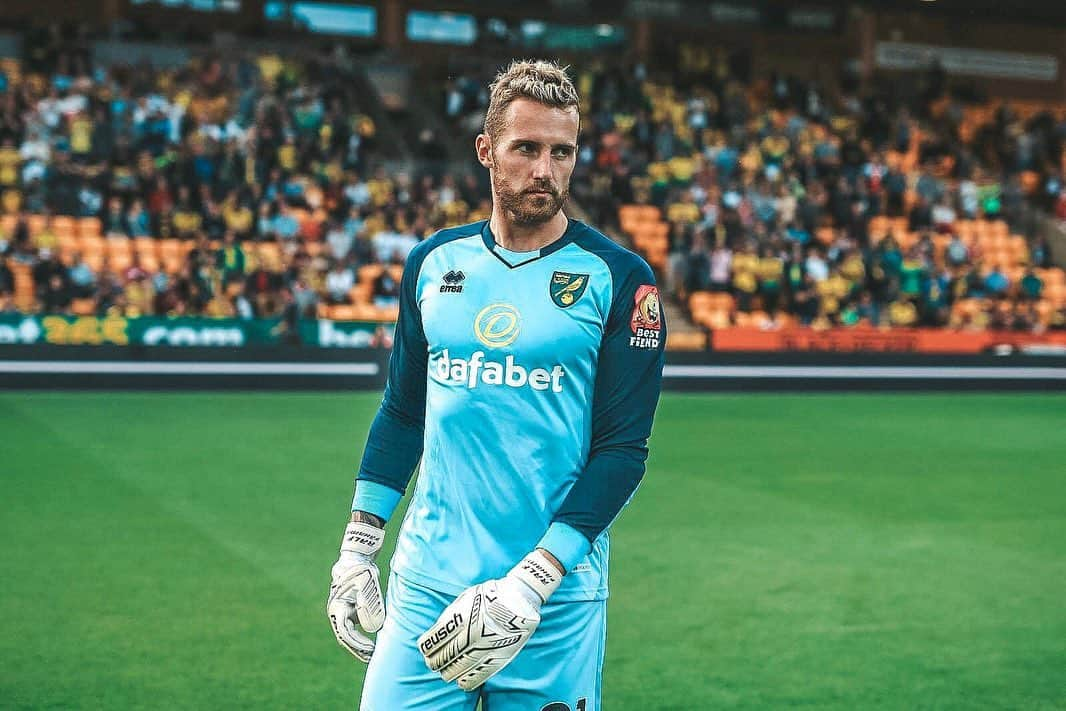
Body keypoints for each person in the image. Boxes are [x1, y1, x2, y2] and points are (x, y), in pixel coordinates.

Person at [327, 60, 666, 710]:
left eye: (561, 152)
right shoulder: (433, 262)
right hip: (429, 580)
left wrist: (534, 579)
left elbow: (623, 450)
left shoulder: (621, 279)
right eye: (527, 148)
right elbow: (403, 414)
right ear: (487, 151)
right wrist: (358, 546)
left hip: (552, 599)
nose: (545, 169)